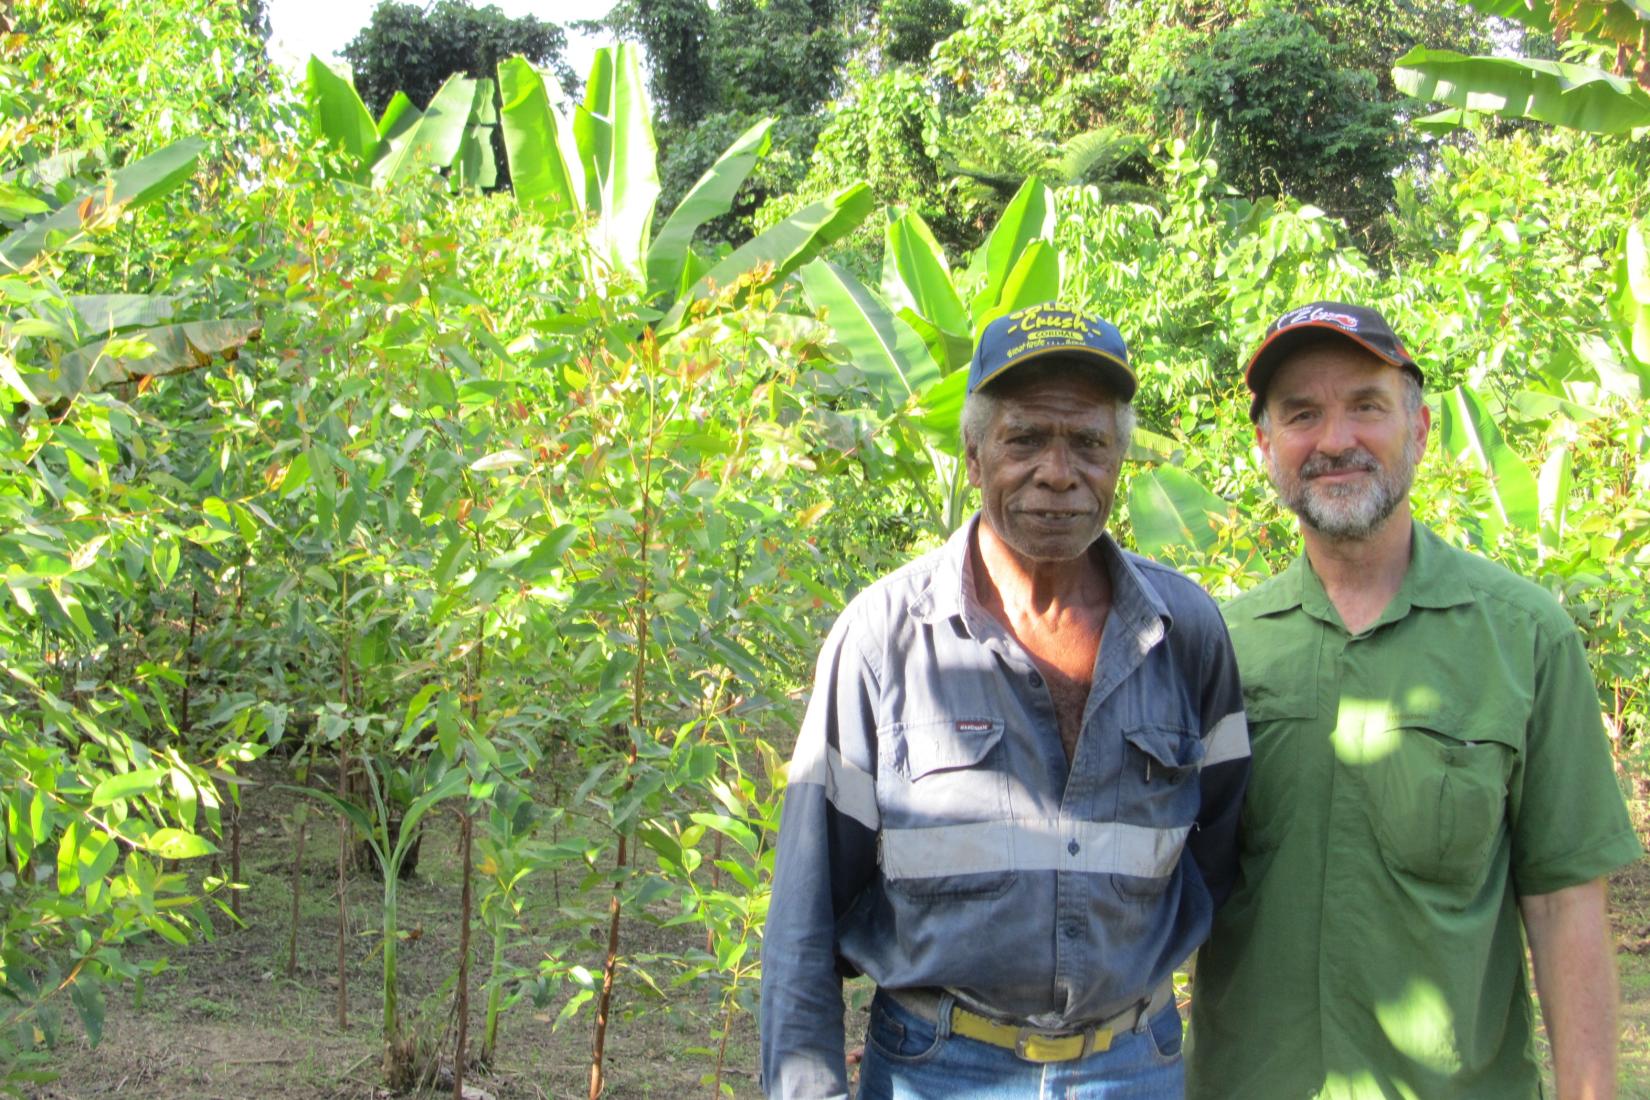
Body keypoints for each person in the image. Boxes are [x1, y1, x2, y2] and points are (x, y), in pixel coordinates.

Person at [759, 303, 1251, 1099]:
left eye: (1088, 442)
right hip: (939, 1068)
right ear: (974, 452)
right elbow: (806, 910)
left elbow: (1219, 854)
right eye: (1025, 439)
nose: (1058, 472)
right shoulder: (885, 638)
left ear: (1119, 459)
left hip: (1134, 1068)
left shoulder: (1184, 632)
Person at [1185, 302, 1643, 1100]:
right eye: (1301, 414)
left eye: (1366, 405)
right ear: (1265, 444)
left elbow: (1567, 903)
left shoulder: (1526, 638)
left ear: (1421, 428)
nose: (1335, 441)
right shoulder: (1217, 648)